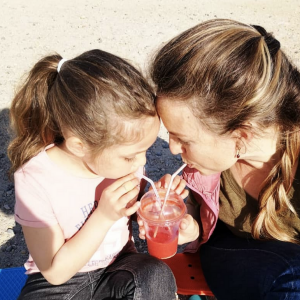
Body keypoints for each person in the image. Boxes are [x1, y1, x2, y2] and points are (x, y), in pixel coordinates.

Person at [146, 19, 300, 300]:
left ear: (242, 136)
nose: (171, 149)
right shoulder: (208, 165)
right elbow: (200, 211)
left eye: (184, 139)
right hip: (230, 248)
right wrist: (185, 219)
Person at [7, 49, 179, 300]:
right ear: (79, 146)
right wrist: (104, 216)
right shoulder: (36, 179)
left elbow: (131, 211)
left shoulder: (122, 162)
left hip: (121, 268)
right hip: (58, 284)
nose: (141, 162)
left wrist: (153, 201)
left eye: (146, 150)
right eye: (131, 156)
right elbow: (55, 273)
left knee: (155, 275)